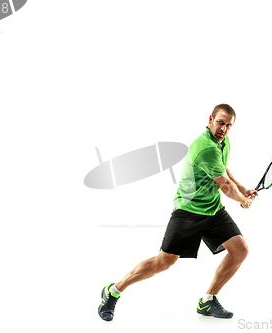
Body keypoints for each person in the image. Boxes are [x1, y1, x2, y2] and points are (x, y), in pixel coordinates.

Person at [98, 104, 258, 320]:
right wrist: (242, 200)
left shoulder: (223, 141)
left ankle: (208, 301)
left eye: (229, 125)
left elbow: (224, 170)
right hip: (188, 211)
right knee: (164, 262)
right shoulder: (205, 148)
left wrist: (243, 189)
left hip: (212, 209)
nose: (224, 128)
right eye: (220, 122)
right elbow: (225, 186)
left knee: (240, 250)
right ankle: (113, 291)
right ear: (210, 119)